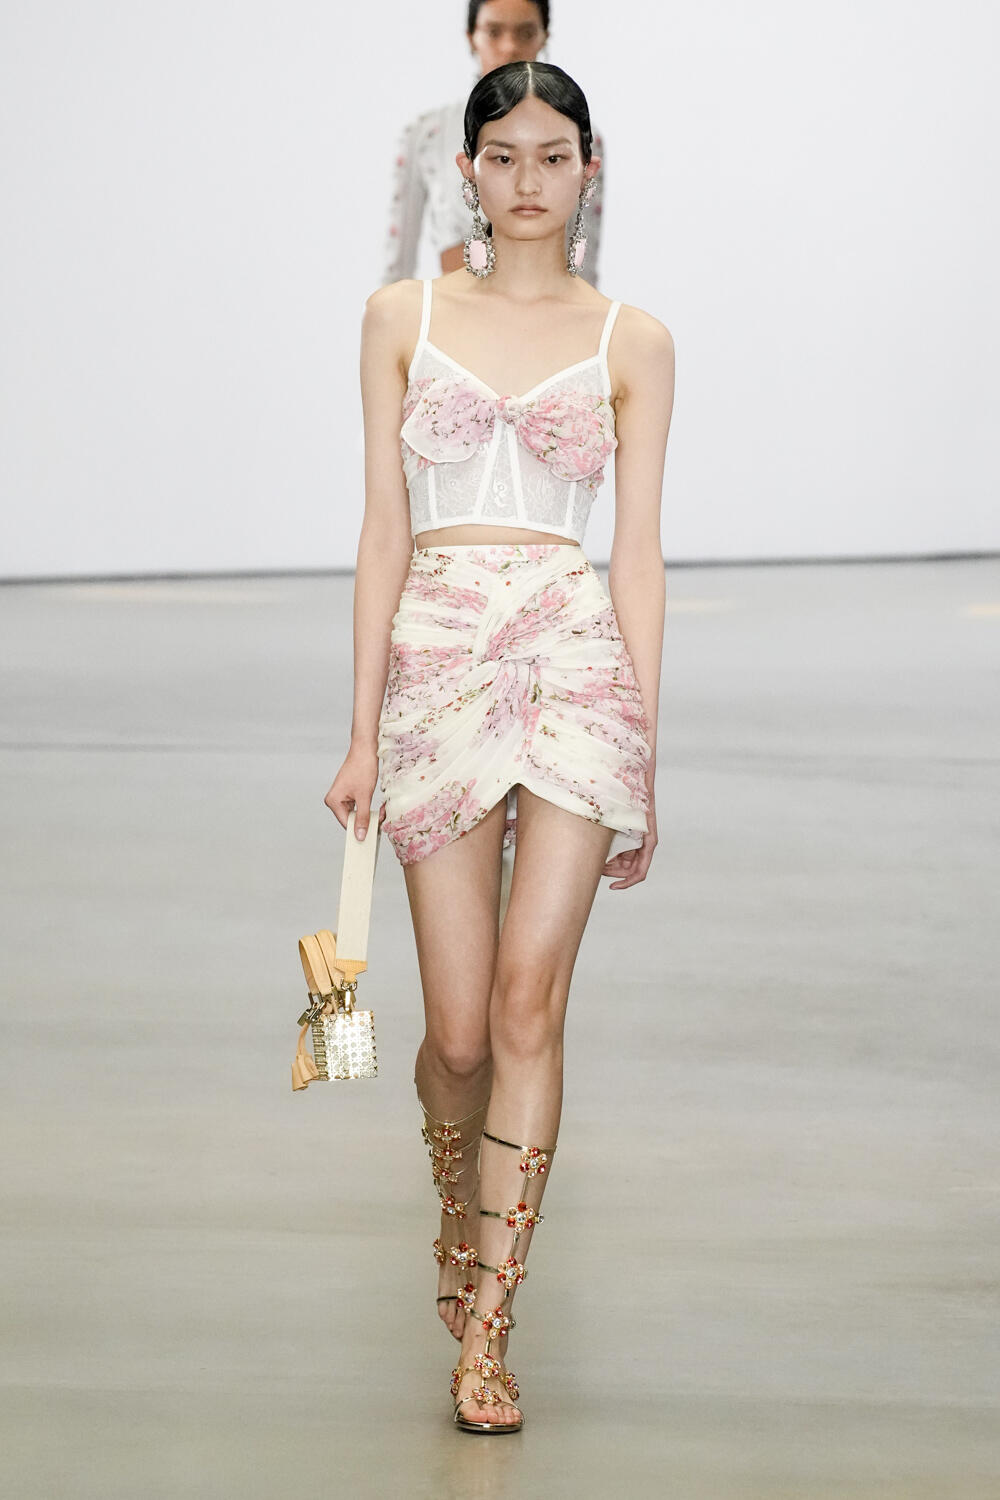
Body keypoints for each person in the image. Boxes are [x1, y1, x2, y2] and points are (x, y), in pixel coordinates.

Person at [326, 60, 674, 1432]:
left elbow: (636, 556)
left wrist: (646, 751)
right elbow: (380, 530)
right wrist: (359, 732)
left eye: (555, 154)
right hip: (436, 659)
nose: (530, 180)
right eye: (506, 155)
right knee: (461, 1034)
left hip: (574, 658)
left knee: (532, 1005)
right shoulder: (400, 317)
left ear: (589, 170)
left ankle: (489, 1323)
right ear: (466, 169)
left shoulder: (633, 339)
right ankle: (452, 1199)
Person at [383, 0, 606, 286]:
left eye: (525, 33)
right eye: (494, 32)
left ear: (544, 37)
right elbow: (396, 268)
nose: (509, 47)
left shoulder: (579, 136)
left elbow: (584, 264)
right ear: (471, 37)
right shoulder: (427, 135)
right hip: (449, 310)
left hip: (548, 309)